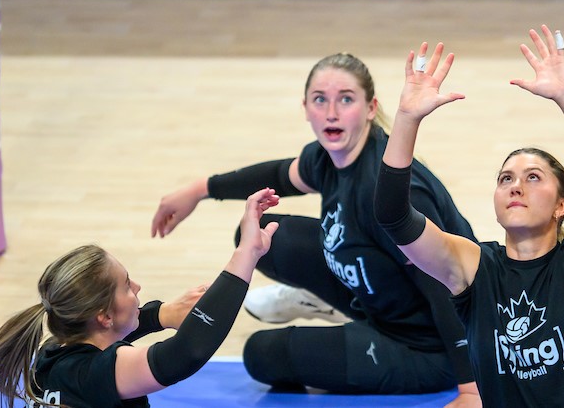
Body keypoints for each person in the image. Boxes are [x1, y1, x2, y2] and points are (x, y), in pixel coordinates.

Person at [150, 53, 481, 405]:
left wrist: (472, 387)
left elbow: (445, 286)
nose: (332, 112)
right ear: (306, 108)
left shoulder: (388, 192)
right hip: (383, 294)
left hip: (429, 347)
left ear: (371, 108)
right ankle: (339, 301)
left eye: (346, 99)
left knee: (263, 355)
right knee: (266, 234)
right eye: (320, 99)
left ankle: (360, 323)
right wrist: (201, 189)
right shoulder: (328, 157)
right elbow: (280, 176)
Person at [374, 26, 564, 407]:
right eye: (506, 178)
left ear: (562, 205)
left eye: (533, 178)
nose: (515, 186)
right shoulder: (474, 269)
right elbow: (393, 216)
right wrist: (406, 118)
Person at [0, 188, 281, 408]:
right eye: (126, 285)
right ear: (104, 316)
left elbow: (112, 338)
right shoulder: (92, 375)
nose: (137, 286)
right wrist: (247, 254)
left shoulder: (52, 353)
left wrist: (161, 314)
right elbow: (185, 353)